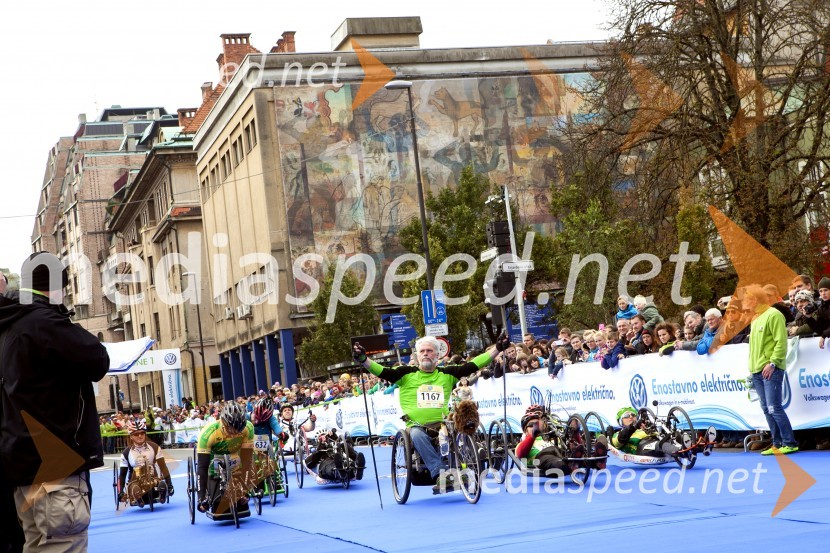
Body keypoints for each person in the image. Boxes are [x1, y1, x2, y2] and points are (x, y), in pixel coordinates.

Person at [0, 252, 110, 553]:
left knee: (38, 545)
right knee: (63, 544)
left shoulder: (10, 325)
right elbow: (97, 359)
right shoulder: (45, 322)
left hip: (24, 466)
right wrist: (61, 315)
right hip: (56, 465)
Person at [353, 334, 508, 493]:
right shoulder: (405, 373)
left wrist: (497, 348)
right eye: (422, 351)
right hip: (417, 426)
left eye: (429, 351)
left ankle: (472, 463)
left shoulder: (447, 373)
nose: (425, 354)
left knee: (462, 424)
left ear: (437, 355)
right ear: (417, 355)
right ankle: (441, 474)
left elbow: (473, 365)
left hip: (444, 424)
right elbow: (382, 371)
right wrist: (364, 359)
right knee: (416, 434)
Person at [744, 284, 798, 454]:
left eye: (747, 298)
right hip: (757, 370)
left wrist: (773, 363)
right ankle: (777, 443)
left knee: (774, 407)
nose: (745, 302)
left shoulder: (774, 315)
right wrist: (752, 369)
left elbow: (781, 342)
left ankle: (790, 443)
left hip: (771, 368)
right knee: (767, 409)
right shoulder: (755, 318)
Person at [195, 402, 256, 517]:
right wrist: (201, 498)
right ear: (223, 422)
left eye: (238, 430)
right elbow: (202, 467)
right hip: (214, 459)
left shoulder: (248, 427)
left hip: (235, 456)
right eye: (231, 429)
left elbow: (247, 460)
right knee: (217, 502)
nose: (234, 434)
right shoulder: (208, 433)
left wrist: (245, 489)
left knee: (241, 501)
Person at [515, 405, 607, 475]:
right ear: (525, 430)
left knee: (572, 450)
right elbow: (519, 453)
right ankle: (571, 464)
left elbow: (578, 446)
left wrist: (575, 432)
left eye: (539, 423)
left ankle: (598, 460)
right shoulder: (525, 441)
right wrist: (532, 436)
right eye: (532, 424)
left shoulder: (551, 435)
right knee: (553, 459)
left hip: (561, 453)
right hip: (541, 458)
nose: (537, 426)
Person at [117, 419, 173, 506]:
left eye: (142, 433)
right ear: (131, 436)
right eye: (136, 434)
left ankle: (162, 494)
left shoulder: (155, 447)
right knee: (135, 488)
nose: (140, 436)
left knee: (160, 484)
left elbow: (163, 467)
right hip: (135, 482)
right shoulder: (126, 453)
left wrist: (169, 485)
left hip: (153, 480)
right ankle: (138, 498)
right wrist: (120, 492)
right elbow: (122, 475)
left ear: (145, 434)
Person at [611, 407, 681, 457]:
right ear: (620, 421)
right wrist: (634, 426)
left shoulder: (642, 428)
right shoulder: (617, 434)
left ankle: (684, 444)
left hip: (656, 441)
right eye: (626, 416)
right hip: (641, 447)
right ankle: (681, 451)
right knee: (660, 444)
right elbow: (620, 440)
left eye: (633, 415)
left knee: (674, 436)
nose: (631, 417)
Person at [250, 396, 286, 495]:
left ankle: (273, 478)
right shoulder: (247, 417)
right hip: (250, 446)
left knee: (268, 459)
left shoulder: (271, 418)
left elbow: (275, 426)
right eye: (256, 419)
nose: (258, 422)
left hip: (266, 445)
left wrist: (281, 433)